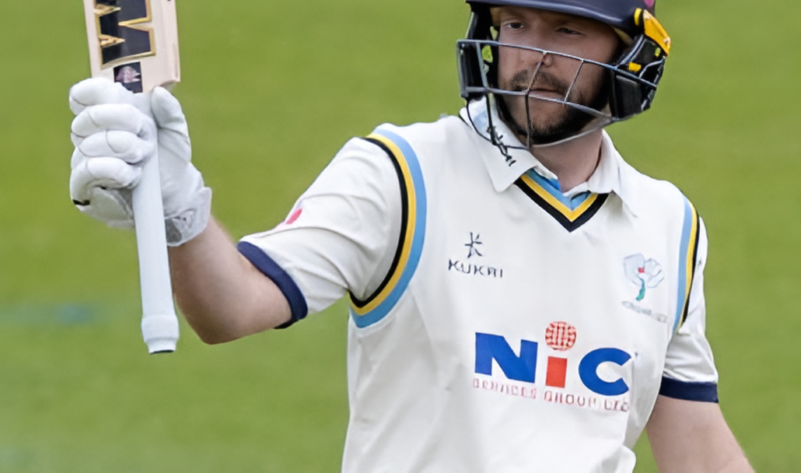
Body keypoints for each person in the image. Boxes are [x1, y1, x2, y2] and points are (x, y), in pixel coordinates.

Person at [67, 0, 755, 471]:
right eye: (516, 22)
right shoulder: (401, 175)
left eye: (566, 32)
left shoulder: (669, 226)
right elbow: (232, 307)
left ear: (634, 52)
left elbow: (695, 444)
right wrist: (180, 208)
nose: (531, 56)